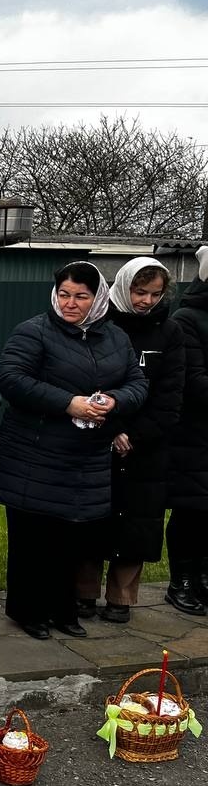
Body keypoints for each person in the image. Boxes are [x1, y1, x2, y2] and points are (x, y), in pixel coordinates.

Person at [0, 262, 147, 639]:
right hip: (34, 454)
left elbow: (137, 382)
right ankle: (29, 611)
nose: (70, 304)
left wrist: (114, 401)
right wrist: (68, 403)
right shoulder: (34, 332)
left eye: (80, 296)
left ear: (97, 298)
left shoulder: (115, 338)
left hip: (85, 458)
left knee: (72, 540)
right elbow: (11, 380)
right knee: (33, 539)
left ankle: (63, 609)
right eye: (64, 294)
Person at [77, 257, 185, 622]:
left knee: (137, 521)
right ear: (124, 287)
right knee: (93, 518)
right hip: (99, 434)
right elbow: (86, 379)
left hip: (147, 445)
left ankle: (122, 597)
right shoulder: (101, 323)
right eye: (140, 292)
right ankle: (84, 592)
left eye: (155, 294)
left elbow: (170, 395)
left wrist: (135, 435)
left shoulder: (170, 333)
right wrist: (112, 429)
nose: (146, 301)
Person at [167, 246, 208, 616]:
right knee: (191, 509)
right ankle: (180, 581)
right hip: (194, 433)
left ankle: (204, 577)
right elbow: (195, 382)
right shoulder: (187, 318)